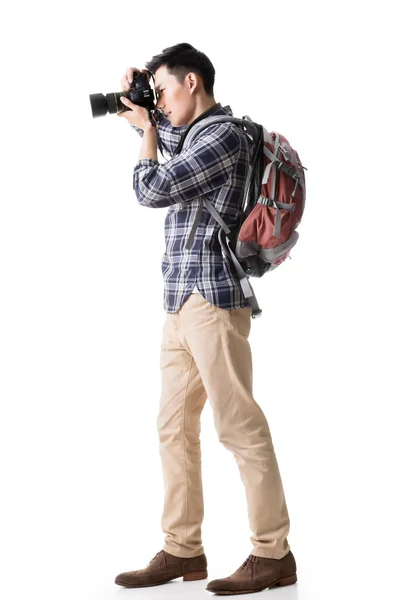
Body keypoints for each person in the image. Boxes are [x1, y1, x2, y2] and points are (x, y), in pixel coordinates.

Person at [114, 42, 297, 595]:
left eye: (165, 90)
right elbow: (170, 143)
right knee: (173, 428)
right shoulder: (197, 136)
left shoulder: (222, 136)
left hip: (214, 300)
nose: (162, 104)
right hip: (179, 300)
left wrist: (146, 126)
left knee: (238, 426)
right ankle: (182, 549)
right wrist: (139, 110)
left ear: (192, 82)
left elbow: (153, 187)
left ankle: (273, 554)